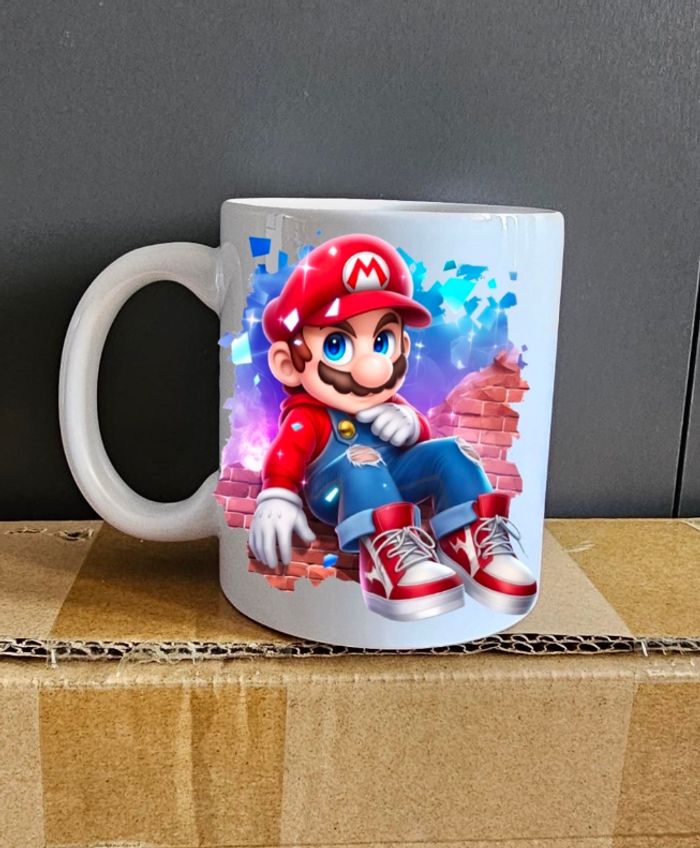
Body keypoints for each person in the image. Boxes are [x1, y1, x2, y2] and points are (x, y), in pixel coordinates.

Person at [249, 234, 536, 621]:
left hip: (395, 476)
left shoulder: (390, 403)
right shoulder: (309, 416)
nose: (373, 367)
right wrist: (278, 495)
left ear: (402, 345)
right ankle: (388, 559)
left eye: (382, 341)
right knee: (361, 462)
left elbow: (422, 443)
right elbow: (287, 453)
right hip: (338, 490)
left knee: (454, 451)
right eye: (337, 346)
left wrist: (411, 425)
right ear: (288, 363)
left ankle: (473, 540)